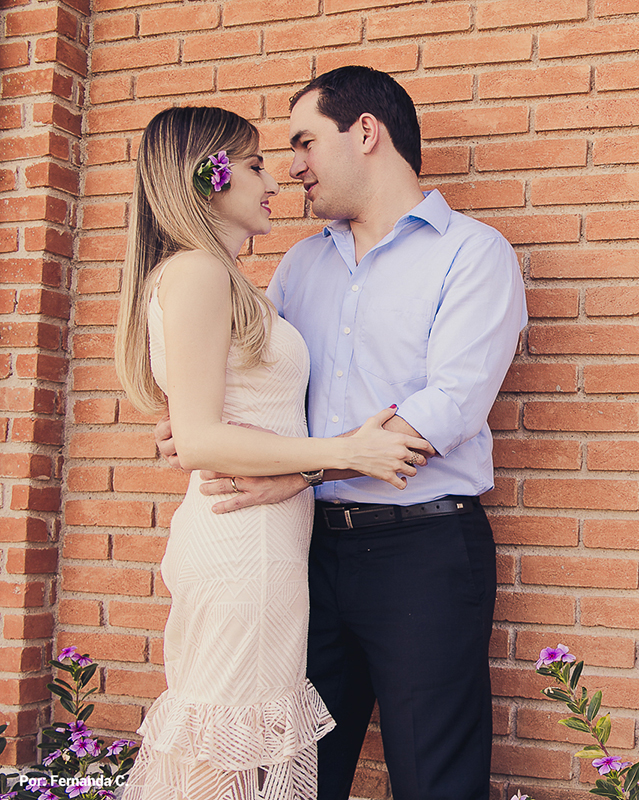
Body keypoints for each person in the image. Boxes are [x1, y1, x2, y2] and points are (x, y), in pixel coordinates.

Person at [162, 67, 528, 800]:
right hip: (303, 553)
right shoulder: (300, 264)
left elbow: (448, 407)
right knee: (295, 776)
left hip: (421, 549)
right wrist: (198, 426)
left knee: (434, 777)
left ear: (366, 133)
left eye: (305, 142)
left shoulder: (473, 253)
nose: (292, 166)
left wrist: (299, 471)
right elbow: (258, 380)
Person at [115, 106, 433, 800]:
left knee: (239, 760)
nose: (274, 182)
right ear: (209, 178)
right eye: (256, 165)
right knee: (218, 764)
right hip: (243, 548)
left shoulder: (222, 278)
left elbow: (210, 420)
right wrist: (348, 451)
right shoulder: (198, 272)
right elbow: (200, 438)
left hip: (264, 546)